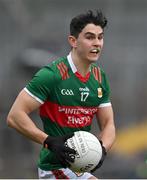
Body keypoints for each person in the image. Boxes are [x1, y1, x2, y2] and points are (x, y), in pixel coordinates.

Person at [7, 10, 116, 179]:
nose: (97, 43)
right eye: (89, 37)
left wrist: (102, 149)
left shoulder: (100, 78)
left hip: (79, 168)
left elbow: (108, 123)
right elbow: (14, 116)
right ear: (73, 41)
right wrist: (49, 141)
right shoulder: (51, 75)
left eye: (100, 37)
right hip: (54, 167)